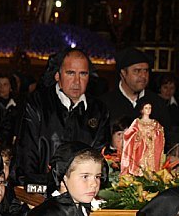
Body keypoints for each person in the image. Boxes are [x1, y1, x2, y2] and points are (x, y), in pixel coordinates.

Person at [13, 48, 110, 188]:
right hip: (41, 194)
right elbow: (26, 157)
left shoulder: (98, 110)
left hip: (85, 194)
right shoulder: (37, 104)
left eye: (83, 74)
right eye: (70, 73)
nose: (77, 81)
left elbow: (101, 161)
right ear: (57, 75)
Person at [99, 47, 170, 130]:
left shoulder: (158, 103)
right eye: (137, 71)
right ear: (123, 73)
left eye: (146, 70)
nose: (143, 76)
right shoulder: (104, 104)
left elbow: (167, 138)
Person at [120, 102, 166, 176]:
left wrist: (154, 135)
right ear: (142, 110)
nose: (148, 110)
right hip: (140, 150)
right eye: (146, 108)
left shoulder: (155, 123)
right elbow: (128, 135)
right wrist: (138, 136)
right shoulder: (137, 122)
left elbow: (160, 134)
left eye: (149, 108)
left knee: (152, 169)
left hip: (152, 150)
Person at [0, 74, 18, 147]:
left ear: (11, 88)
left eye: (5, 84)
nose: (1, 87)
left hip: (9, 146)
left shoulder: (16, 106)